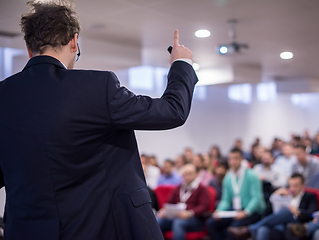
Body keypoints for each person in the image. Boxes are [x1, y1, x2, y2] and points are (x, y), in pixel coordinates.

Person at [0, 1, 198, 239]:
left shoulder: (4, 97)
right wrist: (182, 64)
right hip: (100, 230)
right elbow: (171, 111)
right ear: (74, 41)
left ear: (29, 47)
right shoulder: (97, 87)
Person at [227, 173, 317, 240]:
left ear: (303, 186)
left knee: (287, 211)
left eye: (296, 186)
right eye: (290, 186)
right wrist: (274, 196)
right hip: (279, 227)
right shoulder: (283, 196)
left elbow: (312, 214)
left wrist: (297, 211)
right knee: (263, 229)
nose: (292, 189)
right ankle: (251, 229)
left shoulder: (310, 197)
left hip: (296, 227)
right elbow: (267, 214)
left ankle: (249, 229)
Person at [206, 148, 265, 240]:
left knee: (234, 227)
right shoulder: (228, 178)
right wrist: (219, 211)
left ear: (241, 159)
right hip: (236, 210)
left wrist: (246, 212)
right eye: (230, 158)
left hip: (252, 211)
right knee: (212, 223)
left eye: (236, 158)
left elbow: (256, 198)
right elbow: (225, 200)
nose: (233, 161)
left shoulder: (252, 175)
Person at [157, 164, 210, 240]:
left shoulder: (202, 189)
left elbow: (204, 206)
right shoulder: (179, 187)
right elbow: (168, 202)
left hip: (194, 219)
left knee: (179, 222)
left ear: (196, 174)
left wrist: (190, 213)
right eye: (185, 174)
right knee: (158, 221)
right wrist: (165, 211)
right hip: (177, 216)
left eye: (189, 173)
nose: (187, 176)